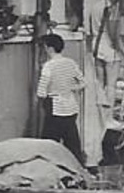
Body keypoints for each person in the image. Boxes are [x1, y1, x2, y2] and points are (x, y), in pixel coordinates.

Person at [34, 33, 86, 163]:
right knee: (73, 144)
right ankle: (78, 168)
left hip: (54, 106)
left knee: (49, 145)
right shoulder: (70, 63)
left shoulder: (48, 66)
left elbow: (41, 92)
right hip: (70, 106)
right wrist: (70, 88)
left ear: (50, 49)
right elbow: (83, 83)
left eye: (45, 47)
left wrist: (46, 96)